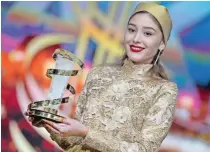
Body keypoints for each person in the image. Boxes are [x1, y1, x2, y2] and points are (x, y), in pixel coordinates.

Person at [26, 2, 178, 152]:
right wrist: (50, 123)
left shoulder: (164, 90)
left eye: (148, 33)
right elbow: (74, 143)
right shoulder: (98, 75)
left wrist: (86, 133)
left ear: (162, 44)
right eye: (131, 30)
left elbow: (144, 149)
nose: (136, 38)